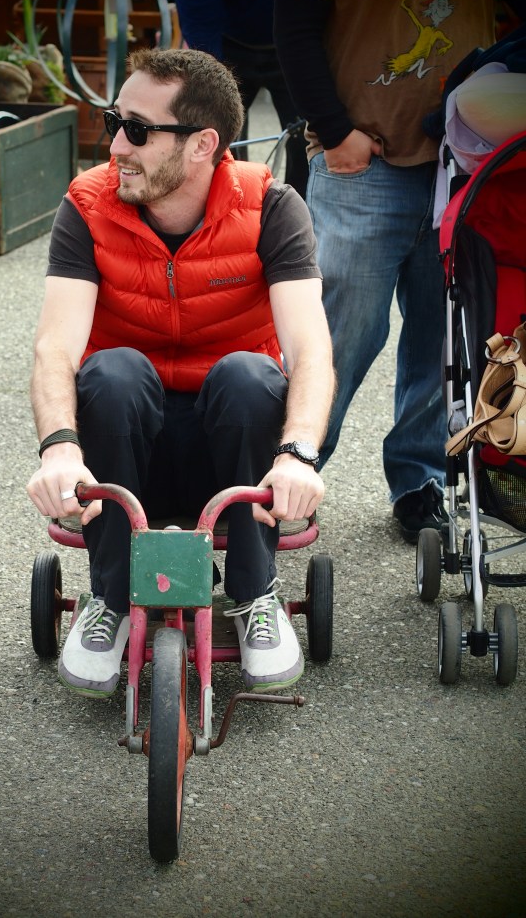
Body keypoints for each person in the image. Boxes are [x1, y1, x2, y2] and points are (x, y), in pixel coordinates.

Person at [26, 48, 334, 698]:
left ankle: (254, 595)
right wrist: (59, 449)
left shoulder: (271, 207)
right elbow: (55, 347)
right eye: (115, 121)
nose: (116, 145)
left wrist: (299, 455)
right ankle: (110, 598)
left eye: (138, 130)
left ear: (203, 145)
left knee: (251, 374)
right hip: (123, 447)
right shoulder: (87, 205)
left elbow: (310, 349)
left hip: (230, 455)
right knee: (110, 371)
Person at [271, 0, 526, 543]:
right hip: (362, 157)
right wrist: (334, 131)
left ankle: (420, 480)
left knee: (447, 333)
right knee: (340, 330)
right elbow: (292, 26)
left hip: (467, 162)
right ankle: (290, 470)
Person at [174, 0, 309, 197]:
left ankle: (299, 210)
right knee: (219, 139)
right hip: (226, 42)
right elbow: (198, 13)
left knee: (305, 140)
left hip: (295, 38)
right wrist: (210, 76)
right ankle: (230, 202)